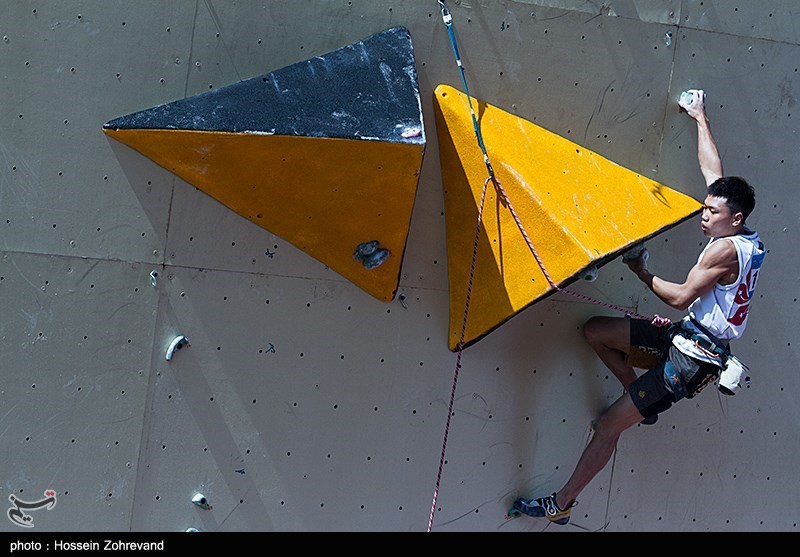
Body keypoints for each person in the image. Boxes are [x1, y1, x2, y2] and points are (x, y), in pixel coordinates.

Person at [512, 89, 766, 525]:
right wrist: (699, 117)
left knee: (608, 426)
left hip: (690, 362)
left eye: (711, 213)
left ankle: (561, 505)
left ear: (734, 219)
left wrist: (640, 269)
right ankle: (637, 398)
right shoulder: (746, 236)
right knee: (597, 331)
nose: (703, 216)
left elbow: (681, 296)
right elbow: (714, 173)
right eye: (705, 209)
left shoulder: (722, 252)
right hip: (685, 337)